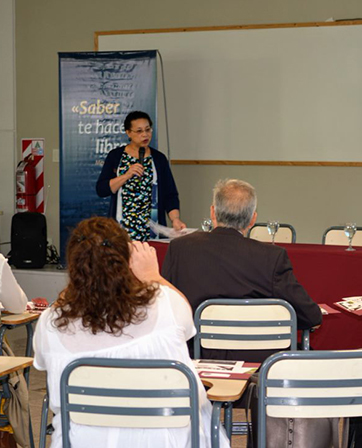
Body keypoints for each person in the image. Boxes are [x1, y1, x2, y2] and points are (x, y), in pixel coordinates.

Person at [32, 217, 228, 448]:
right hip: (167, 441)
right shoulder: (165, 303)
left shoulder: (51, 323)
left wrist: (81, 282)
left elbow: (44, 363)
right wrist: (153, 277)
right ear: (127, 259)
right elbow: (188, 326)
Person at [162, 178, 322, 362]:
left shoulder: (180, 249)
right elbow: (310, 316)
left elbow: (168, 307)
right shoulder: (272, 257)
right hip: (259, 363)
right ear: (253, 219)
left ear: (213, 212)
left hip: (198, 357)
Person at [96, 111, 186, 241]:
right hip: (122, 230)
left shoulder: (159, 159)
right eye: (139, 131)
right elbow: (101, 189)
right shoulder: (116, 156)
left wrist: (175, 219)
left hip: (152, 230)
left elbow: (170, 194)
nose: (145, 135)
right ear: (128, 133)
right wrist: (126, 175)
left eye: (148, 130)